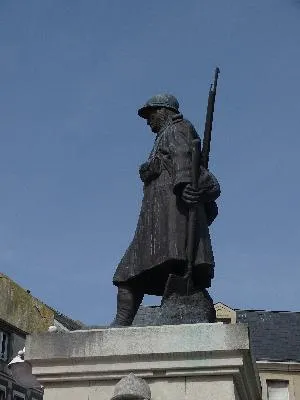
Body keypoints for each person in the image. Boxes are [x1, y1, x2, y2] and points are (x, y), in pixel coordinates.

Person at [112, 94, 220, 326]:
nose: (148, 121)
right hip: (159, 220)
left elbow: (183, 157)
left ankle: (121, 323)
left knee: (127, 272)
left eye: (151, 114)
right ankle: (121, 324)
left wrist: (185, 186)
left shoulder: (176, 129)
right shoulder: (165, 135)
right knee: (131, 272)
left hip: (170, 220)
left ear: (164, 111)